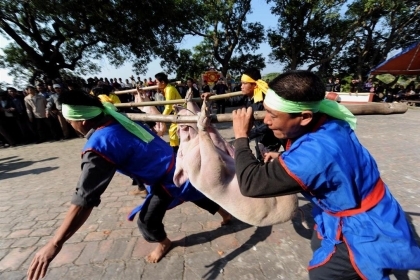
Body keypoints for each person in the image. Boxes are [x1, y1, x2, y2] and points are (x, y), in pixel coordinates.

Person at [231, 70, 420, 280]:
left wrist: (240, 137)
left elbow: (251, 184)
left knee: (323, 274)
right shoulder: (328, 119)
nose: (266, 120)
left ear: (304, 117)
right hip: (372, 206)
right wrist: (283, 158)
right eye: (266, 112)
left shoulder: (315, 154)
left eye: (273, 115)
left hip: (363, 227)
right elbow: (315, 157)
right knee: (318, 242)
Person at [27, 89, 231, 280]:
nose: (70, 125)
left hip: (168, 177)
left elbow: (84, 200)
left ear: (80, 120)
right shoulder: (118, 117)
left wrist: (55, 243)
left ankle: (164, 243)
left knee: (147, 221)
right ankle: (225, 213)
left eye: (69, 121)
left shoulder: (100, 145)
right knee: (196, 192)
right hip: (177, 161)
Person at [227, 67, 282, 161]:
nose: (241, 86)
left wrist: (249, 134)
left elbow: (269, 123)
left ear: (255, 85)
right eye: (241, 83)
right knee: (261, 161)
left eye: (244, 83)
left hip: (271, 139)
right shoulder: (248, 97)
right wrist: (210, 96)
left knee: (268, 165)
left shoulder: (266, 99)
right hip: (259, 139)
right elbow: (230, 101)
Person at [155, 72, 182, 153]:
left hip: (181, 111)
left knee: (172, 130)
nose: (156, 84)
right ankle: (175, 148)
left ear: (162, 82)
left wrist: (162, 117)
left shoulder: (169, 89)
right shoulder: (167, 88)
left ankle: (175, 150)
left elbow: (168, 106)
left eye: (157, 82)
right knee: (173, 130)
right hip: (177, 111)